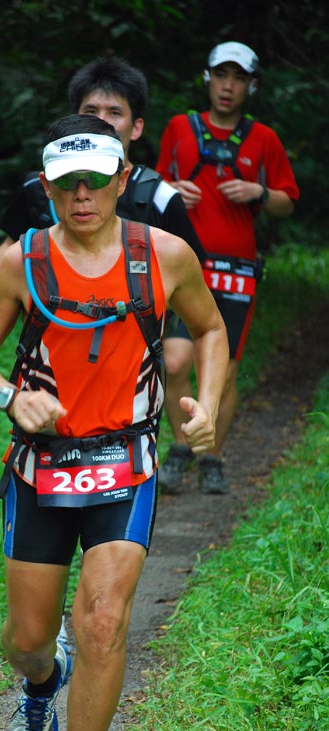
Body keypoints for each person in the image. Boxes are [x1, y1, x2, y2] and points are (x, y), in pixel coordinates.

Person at [0, 114, 228, 731]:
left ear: (121, 181)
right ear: (46, 187)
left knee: (104, 620)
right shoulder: (19, 261)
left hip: (126, 461)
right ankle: (44, 683)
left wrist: (206, 406)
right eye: (68, 182)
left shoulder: (164, 255)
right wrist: (10, 397)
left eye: (97, 180)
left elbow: (209, 327)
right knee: (26, 640)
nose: (83, 194)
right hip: (40, 469)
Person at [155, 41, 300, 494]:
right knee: (174, 359)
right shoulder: (180, 128)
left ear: (251, 85)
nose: (228, 86)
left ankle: (211, 456)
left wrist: (257, 192)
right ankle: (181, 446)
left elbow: (287, 203)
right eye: (221, 75)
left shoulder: (265, 139)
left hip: (235, 269)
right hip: (183, 263)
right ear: (208, 78)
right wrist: (172, 187)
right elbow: (149, 184)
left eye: (238, 78)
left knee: (225, 368)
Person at [0, 56, 204, 314]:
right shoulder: (40, 187)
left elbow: (189, 277)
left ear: (136, 127)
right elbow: (11, 244)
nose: (101, 122)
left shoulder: (160, 198)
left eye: (114, 112)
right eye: (90, 112)